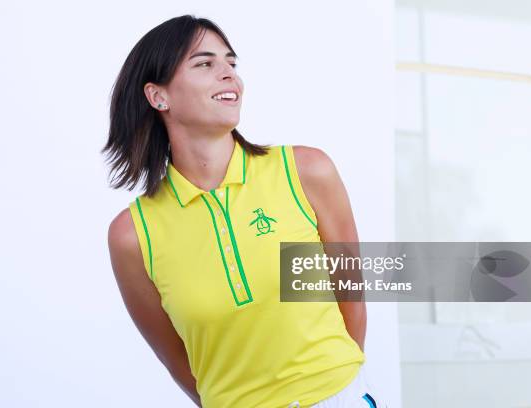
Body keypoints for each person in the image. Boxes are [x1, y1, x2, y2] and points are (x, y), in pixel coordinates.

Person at [103, 14, 385, 408]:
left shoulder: (305, 171)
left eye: (231, 63)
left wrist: (334, 389)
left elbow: (351, 296)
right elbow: (182, 364)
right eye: (205, 63)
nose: (228, 75)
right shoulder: (132, 235)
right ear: (158, 96)